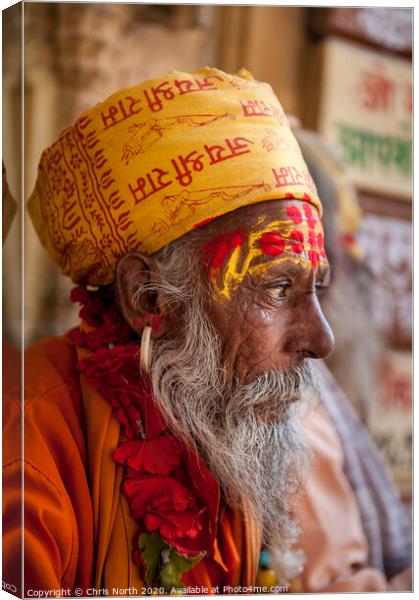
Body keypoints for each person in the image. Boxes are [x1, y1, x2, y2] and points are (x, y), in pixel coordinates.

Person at [2, 67, 409, 596]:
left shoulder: (223, 430)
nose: (321, 339)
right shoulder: (26, 450)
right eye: (278, 288)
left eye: (318, 287)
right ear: (148, 298)